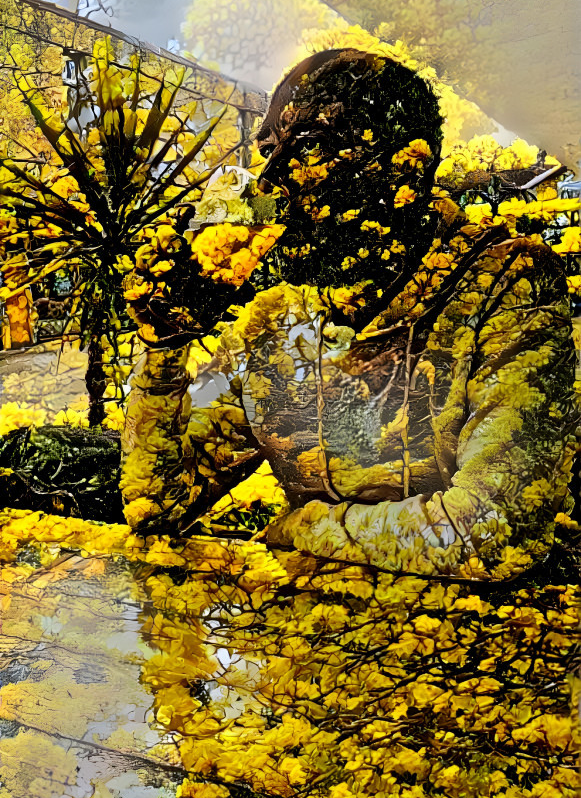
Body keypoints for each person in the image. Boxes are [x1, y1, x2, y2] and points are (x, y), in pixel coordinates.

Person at [122, 48, 577, 586]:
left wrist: (308, 528)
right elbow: (159, 504)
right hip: (310, 649)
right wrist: (165, 346)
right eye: (267, 152)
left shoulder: (503, 282)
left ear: (404, 164)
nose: (273, 185)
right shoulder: (273, 323)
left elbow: (495, 533)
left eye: (310, 149)